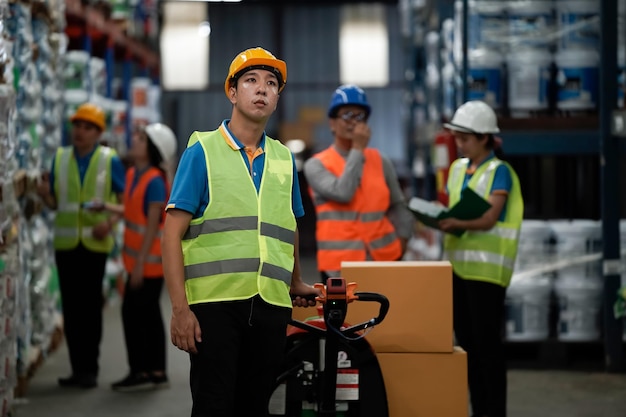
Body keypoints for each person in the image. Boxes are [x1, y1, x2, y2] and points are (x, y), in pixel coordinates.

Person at [160, 47, 319, 417]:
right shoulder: (203, 150)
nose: (262, 89)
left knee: (256, 405)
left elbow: (288, 225)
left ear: (277, 98)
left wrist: (295, 281)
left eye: (271, 83)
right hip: (215, 307)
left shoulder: (283, 158)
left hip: (270, 305)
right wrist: (180, 310)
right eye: (251, 81)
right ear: (232, 92)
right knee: (215, 405)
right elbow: (171, 235)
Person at [439, 100, 524, 417]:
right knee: (469, 348)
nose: (459, 143)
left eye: (465, 138)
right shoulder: (458, 168)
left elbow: (490, 217)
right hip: (459, 271)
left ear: (485, 138)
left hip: (487, 275)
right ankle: (479, 410)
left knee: (488, 349)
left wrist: (455, 222)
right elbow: (453, 206)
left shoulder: (499, 172)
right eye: (457, 137)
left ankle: (493, 411)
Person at [37, 103, 126, 389]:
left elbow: (126, 204)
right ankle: (78, 370)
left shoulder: (109, 159)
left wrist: (109, 225)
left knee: (89, 309)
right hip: (66, 244)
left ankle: (90, 369)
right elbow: (55, 203)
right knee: (72, 309)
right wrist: (43, 195)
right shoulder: (60, 158)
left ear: (98, 133)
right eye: (77, 125)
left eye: (87, 127)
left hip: (95, 244)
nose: (80, 131)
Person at [96, 123, 178, 392]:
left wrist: (141, 265)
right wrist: (108, 212)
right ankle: (153, 370)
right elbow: (131, 209)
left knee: (136, 313)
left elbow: (153, 225)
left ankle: (143, 370)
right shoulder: (133, 174)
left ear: (152, 149)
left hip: (150, 263)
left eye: (141, 139)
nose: (135, 140)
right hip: (137, 261)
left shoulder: (155, 180)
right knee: (146, 314)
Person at [303, 84, 414, 282]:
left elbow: (399, 205)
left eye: (359, 116)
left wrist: (403, 241)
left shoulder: (381, 161)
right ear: (332, 123)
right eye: (346, 115)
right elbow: (343, 192)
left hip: (385, 259)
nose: (353, 122)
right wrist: (357, 149)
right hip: (339, 268)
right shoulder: (317, 165)